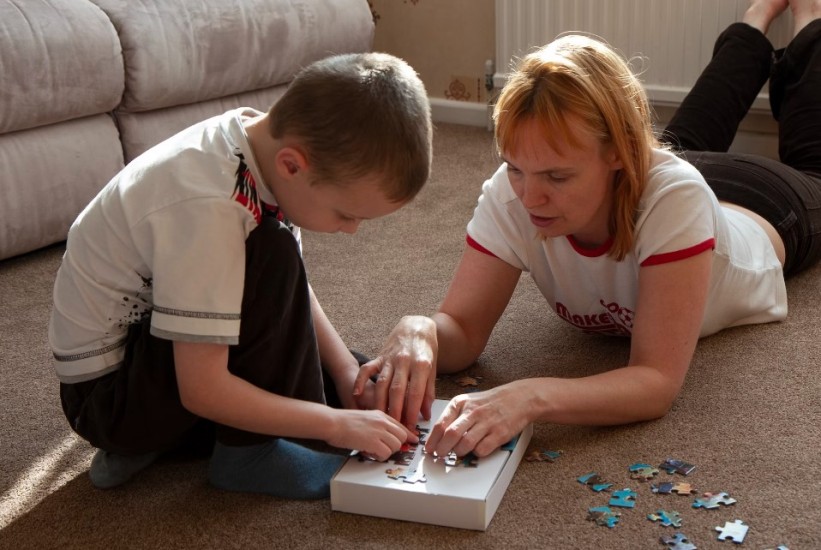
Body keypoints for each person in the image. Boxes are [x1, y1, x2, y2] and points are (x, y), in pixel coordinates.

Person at [354, 0, 821, 460]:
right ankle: (756, 19)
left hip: (763, 203)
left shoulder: (674, 196)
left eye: (557, 177)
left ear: (618, 153)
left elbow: (655, 382)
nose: (529, 197)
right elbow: (463, 331)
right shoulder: (514, 190)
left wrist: (529, 397)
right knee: (694, 133)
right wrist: (420, 329)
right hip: (654, 178)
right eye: (515, 167)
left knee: (811, 154)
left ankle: (809, 19)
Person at [48, 52, 432, 498]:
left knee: (353, 376)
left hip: (159, 354)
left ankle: (176, 444)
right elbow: (203, 389)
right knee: (274, 255)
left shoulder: (260, 145)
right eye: (347, 214)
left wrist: (346, 373)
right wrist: (333, 424)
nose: (351, 230)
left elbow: (290, 295)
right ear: (293, 165)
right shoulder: (211, 204)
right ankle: (249, 456)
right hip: (109, 401)